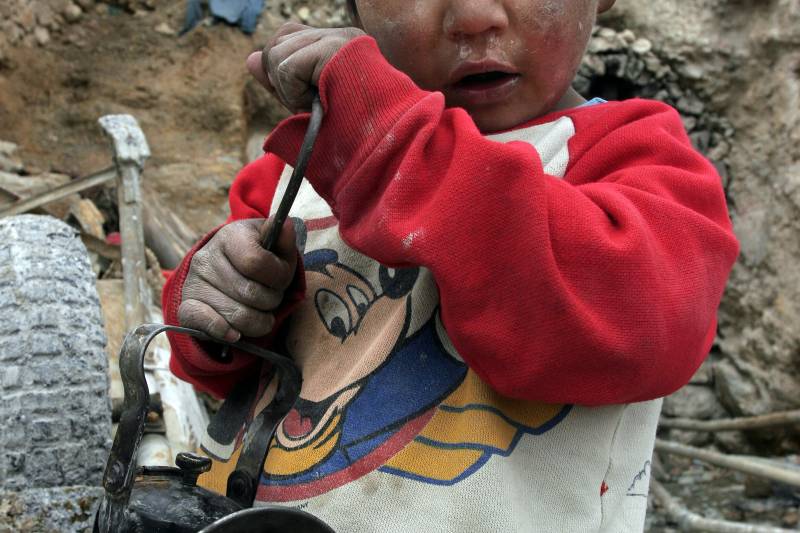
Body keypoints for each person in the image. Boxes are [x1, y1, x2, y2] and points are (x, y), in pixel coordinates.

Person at [163, 0, 740, 530]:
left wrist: (399, 144)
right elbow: (227, 368)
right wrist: (219, 300)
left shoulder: (635, 161)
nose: (473, 16)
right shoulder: (305, 164)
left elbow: (631, 332)